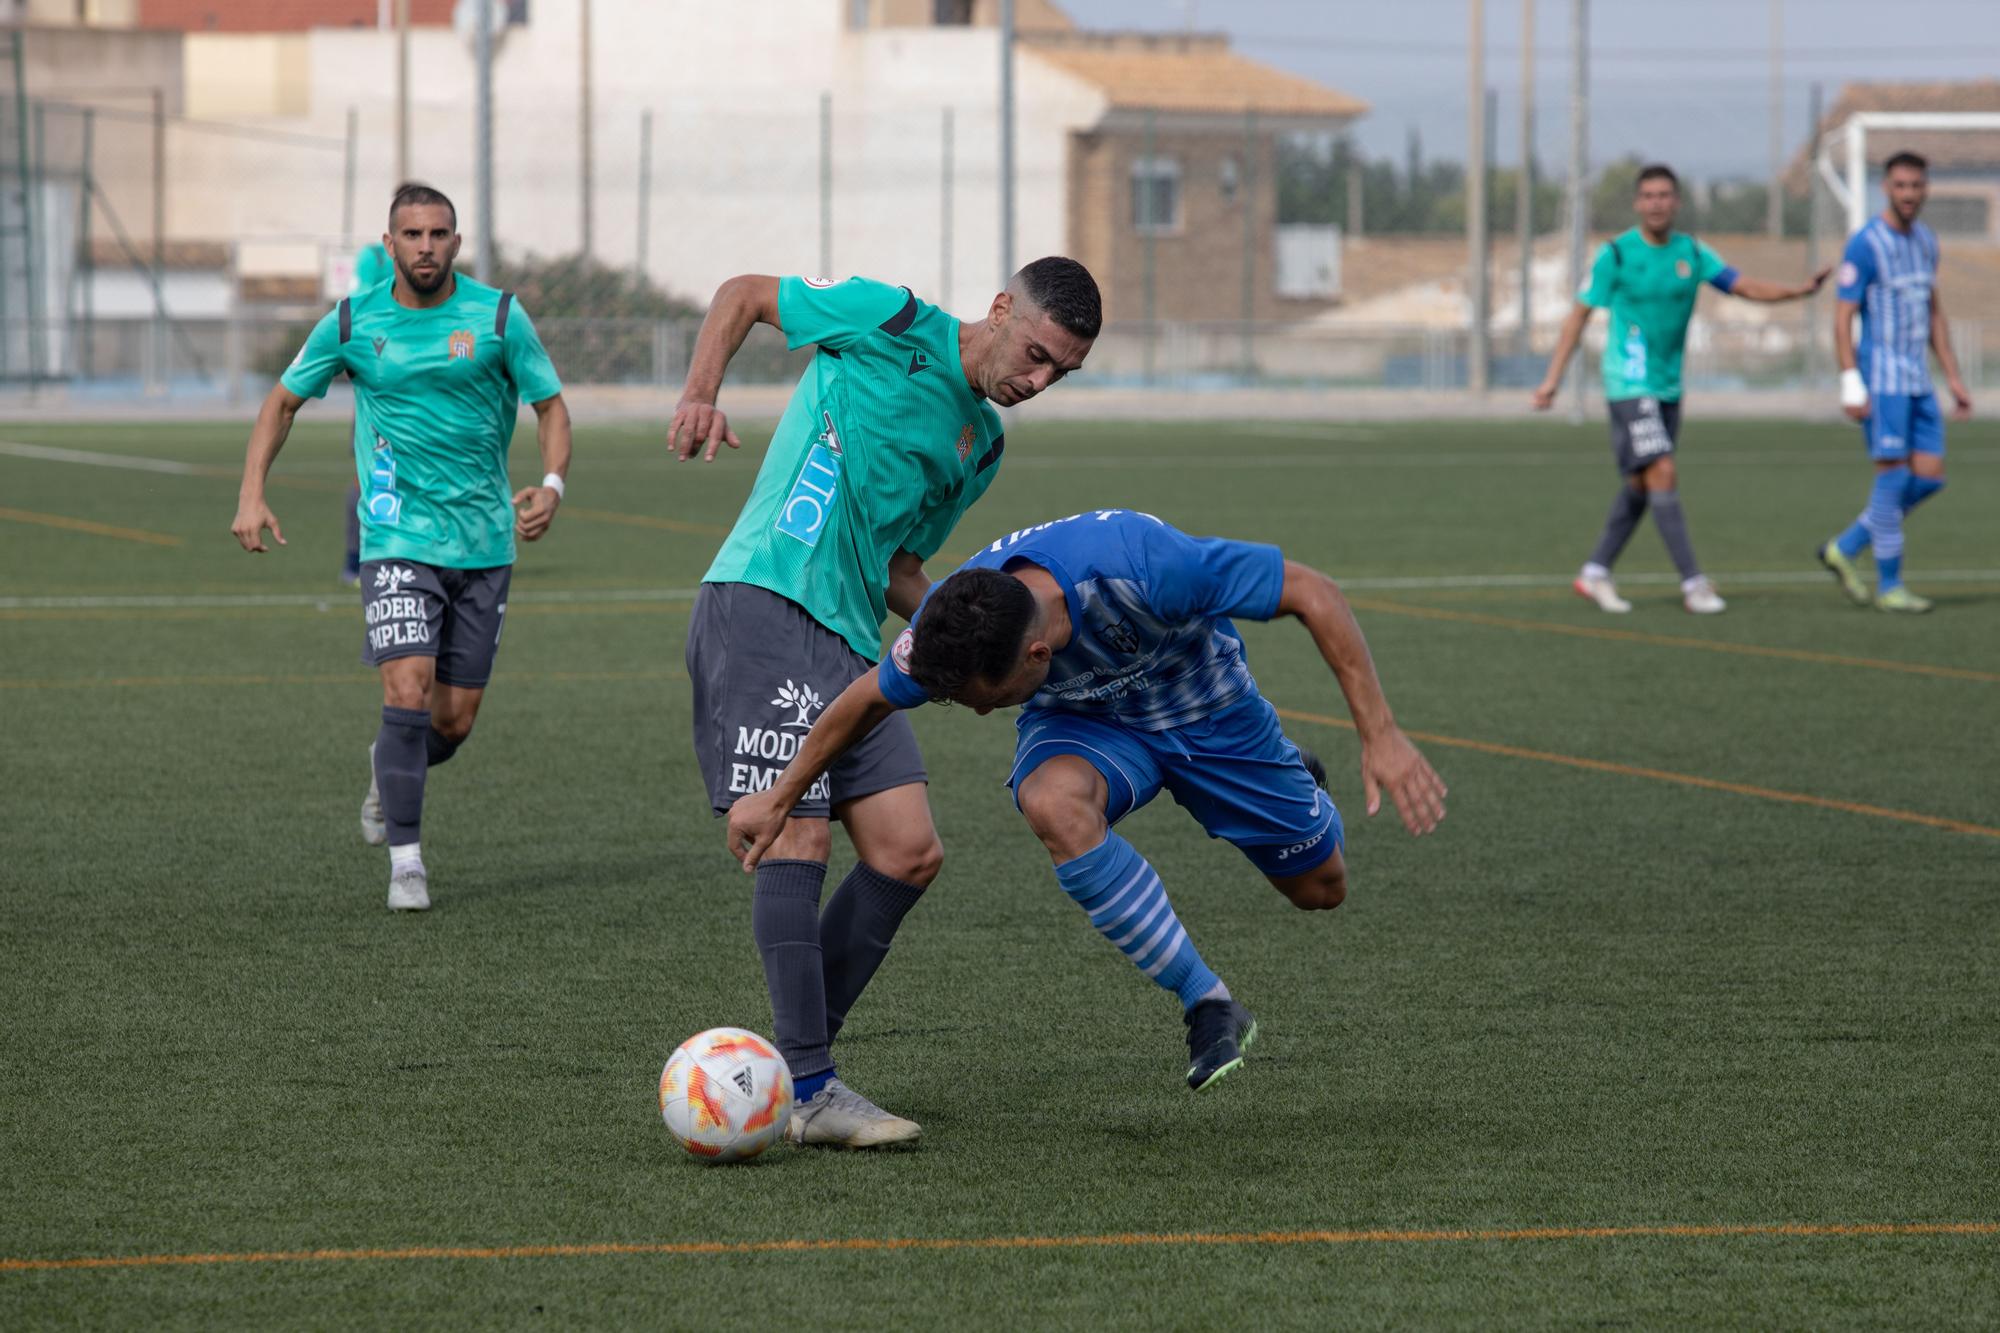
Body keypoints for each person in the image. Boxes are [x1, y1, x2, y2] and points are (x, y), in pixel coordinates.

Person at [726, 509, 1448, 1097]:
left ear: (1036, 656)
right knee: (1049, 799)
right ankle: (1208, 1000)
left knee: (1321, 890)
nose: (978, 714)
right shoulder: (959, 621)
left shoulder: (1146, 565)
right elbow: (864, 702)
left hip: (1206, 708)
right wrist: (782, 796)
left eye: (984, 700)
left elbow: (1312, 591)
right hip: (1085, 722)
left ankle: (1290, 774)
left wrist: (1380, 735)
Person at [674, 258, 1100, 1148]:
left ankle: (787, 1070)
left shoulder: (978, 448)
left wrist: (978, 641)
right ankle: (814, 1087)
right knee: (798, 830)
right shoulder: (890, 320)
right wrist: (701, 391)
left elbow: (902, 568)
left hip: (848, 639)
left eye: (1061, 371)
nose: (1038, 380)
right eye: (1035, 354)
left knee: (908, 852)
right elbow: (743, 295)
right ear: (997, 310)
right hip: (764, 597)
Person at [231, 182, 571, 912]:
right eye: (411, 235)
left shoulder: (499, 316)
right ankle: (407, 864)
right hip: (395, 537)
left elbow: (550, 406)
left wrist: (551, 483)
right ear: (389, 245)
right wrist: (251, 491)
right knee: (406, 688)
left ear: (456, 241)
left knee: (451, 722)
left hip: (483, 541)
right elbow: (282, 401)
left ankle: (390, 767)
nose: (425, 246)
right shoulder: (354, 320)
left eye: (438, 234)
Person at [1533, 163, 1829, 615]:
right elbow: (1579, 315)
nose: (1657, 203)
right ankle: (1694, 584)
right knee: (1663, 472)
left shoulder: (1692, 253)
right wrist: (1552, 379)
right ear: (1637, 203)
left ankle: (1595, 572)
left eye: (1665, 195)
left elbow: (1742, 286)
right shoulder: (1616, 255)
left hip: (1669, 387)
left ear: (1677, 202)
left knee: (1641, 483)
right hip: (1630, 384)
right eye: (1648, 195)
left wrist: (1799, 291)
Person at [1817, 151, 1973, 614]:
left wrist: (1954, 377)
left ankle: (1844, 548)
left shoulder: (1926, 240)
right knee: (1893, 478)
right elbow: (1843, 317)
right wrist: (1850, 382)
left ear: (1926, 189)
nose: (1909, 194)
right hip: (1881, 378)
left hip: (1918, 380)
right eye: (1901, 185)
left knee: (1929, 478)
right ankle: (1890, 585)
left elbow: (1934, 312)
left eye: (1917, 185)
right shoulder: (1866, 243)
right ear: (1886, 188)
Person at [341, 241, 395, 587]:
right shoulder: (374, 258)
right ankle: (355, 559)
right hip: (376, 396)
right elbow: (358, 308)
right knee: (368, 479)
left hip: (421, 397)